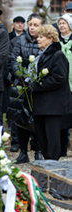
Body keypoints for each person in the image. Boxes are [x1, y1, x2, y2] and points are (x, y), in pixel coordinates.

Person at [29, 24, 72, 160]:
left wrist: (38, 84)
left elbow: (60, 77)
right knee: (41, 136)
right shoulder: (40, 55)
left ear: (51, 39)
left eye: (41, 37)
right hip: (41, 103)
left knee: (52, 136)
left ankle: (52, 163)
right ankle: (46, 161)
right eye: (38, 37)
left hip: (53, 104)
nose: (38, 39)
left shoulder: (57, 55)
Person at [8, 13, 45, 163]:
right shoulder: (20, 40)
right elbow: (13, 59)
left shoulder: (44, 41)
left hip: (37, 86)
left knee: (36, 120)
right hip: (21, 85)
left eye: (36, 25)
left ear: (42, 27)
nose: (32, 28)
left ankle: (38, 151)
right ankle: (23, 152)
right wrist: (21, 76)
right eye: (31, 25)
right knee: (21, 119)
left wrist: (36, 79)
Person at [57, 13, 72, 156]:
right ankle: (62, 149)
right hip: (61, 85)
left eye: (64, 23)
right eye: (60, 23)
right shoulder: (56, 42)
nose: (61, 26)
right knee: (62, 118)